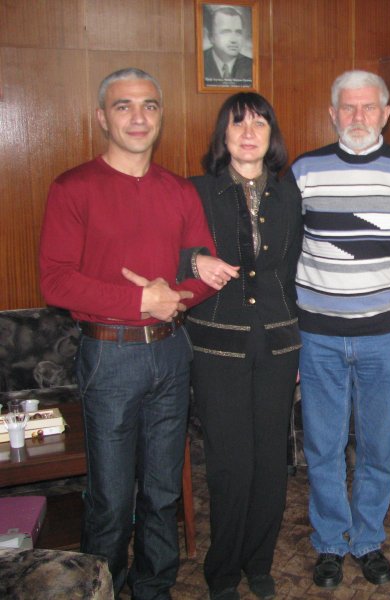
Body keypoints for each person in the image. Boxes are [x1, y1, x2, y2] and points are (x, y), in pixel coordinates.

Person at [39, 67, 217, 598]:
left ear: (160, 117)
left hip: (171, 353)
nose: (138, 117)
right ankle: (103, 588)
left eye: (149, 106)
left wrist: (174, 297)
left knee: (162, 492)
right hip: (109, 355)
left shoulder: (179, 190)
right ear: (102, 118)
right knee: (111, 499)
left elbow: (203, 271)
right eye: (124, 106)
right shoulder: (73, 187)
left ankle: (154, 587)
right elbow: (55, 281)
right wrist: (141, 300)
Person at [289, 70, 390, 590]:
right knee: (322, 446)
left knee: (377, 447)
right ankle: (330, 540)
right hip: (317, 336)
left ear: (386, 113)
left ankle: (367, 539)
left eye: (369, 107)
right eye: (348, 107)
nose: (358, 117)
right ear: (332, 114)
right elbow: (285, 254)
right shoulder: (304, 171)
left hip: (385, 337)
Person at [184, 93, 302, 600]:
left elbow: (291, 273)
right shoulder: (195, 191)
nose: (249, 133)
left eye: (259, 123)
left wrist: (296, 341)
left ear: (272, 135)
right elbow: (167, 250)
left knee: (272, 461)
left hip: (278, 344)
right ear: (223, 135)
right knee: (230, 464)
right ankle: (224, 572)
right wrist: (193, 262)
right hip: (217, 347)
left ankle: (259, 562)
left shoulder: (289, 194)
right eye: (238, 124)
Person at [203, 6, 253, 87]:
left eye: (238, 32)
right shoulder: (199, 62)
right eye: (226, 32)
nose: (233, 40)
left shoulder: (252, 66)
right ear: (211, 37)